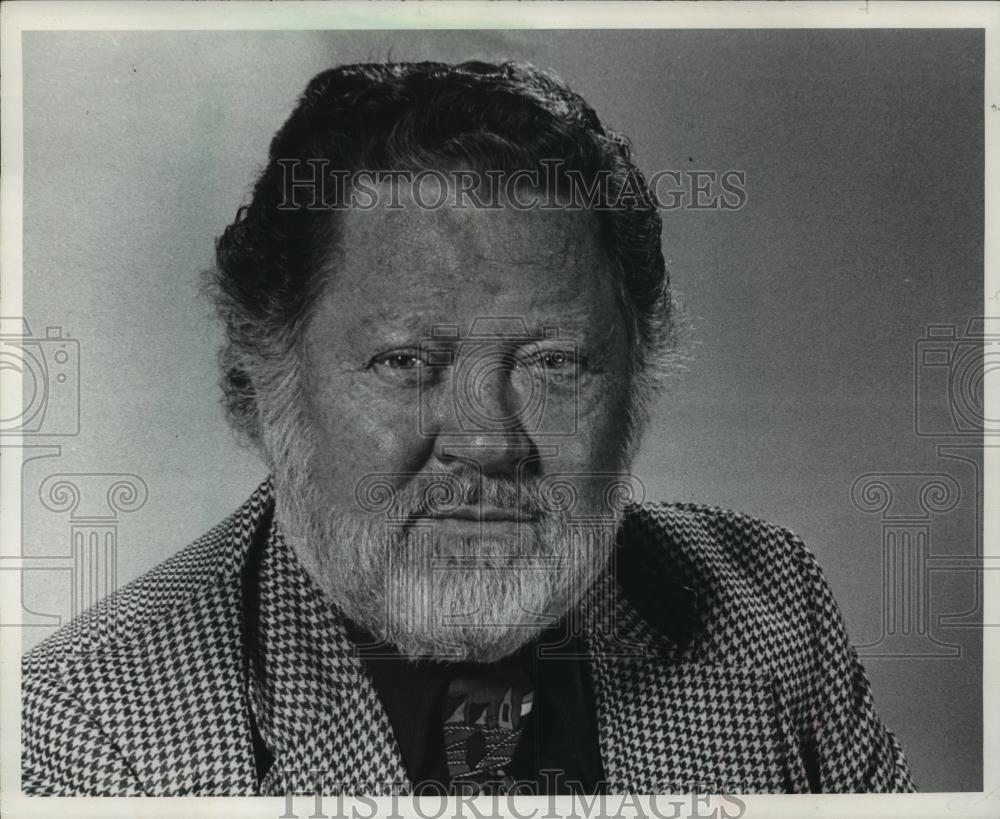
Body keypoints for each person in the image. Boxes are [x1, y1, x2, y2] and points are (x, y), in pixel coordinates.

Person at [21, 60, 915, 797]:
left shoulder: (771, 610)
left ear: (639, 384)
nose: (488, 441)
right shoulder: (94, 722)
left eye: (556, 362)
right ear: (253, 391)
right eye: (407, 361)